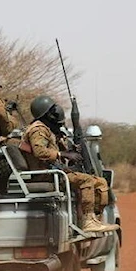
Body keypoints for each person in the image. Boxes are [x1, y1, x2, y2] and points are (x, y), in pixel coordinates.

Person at [21, 95, 115, 233]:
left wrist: (70, 151)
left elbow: (52, 150)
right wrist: (63, 154)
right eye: (51, 111)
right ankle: (87, 222)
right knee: (86, 180)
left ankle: (94, 219)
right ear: (46, 114)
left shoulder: (48, 129)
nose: (56, 113)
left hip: (56, 172)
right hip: (47, 175)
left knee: (100, 182)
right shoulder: (38, 129)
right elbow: (39, 151)